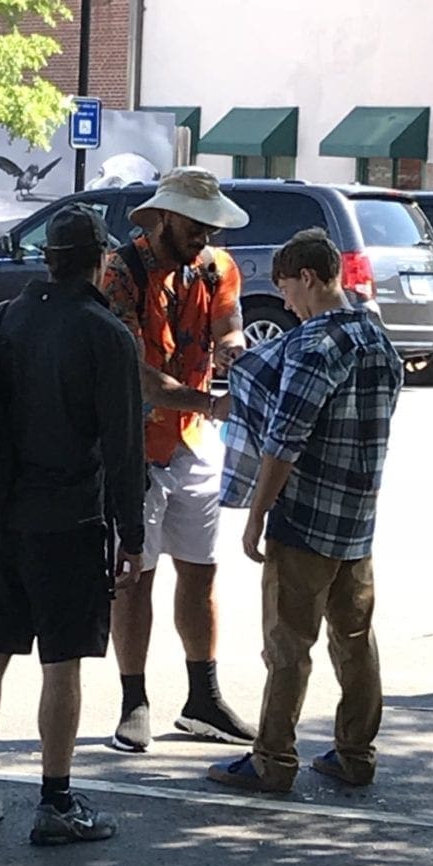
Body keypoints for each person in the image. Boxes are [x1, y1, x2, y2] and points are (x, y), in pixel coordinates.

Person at [0, 203, 145, 843]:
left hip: (0, 514)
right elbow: (122, 448)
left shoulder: (3, 320)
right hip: (68, 517)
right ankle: (56, 802)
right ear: (99, 260)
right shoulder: (106, 334)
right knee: (62, 659)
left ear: (48, 258)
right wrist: (132, 536)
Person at [208, 228, 403, 793]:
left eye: (288, 288)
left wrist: (255, 514)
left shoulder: (315, 347)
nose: (285, 301)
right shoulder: (376, 335)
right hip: (358, 517)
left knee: (288, 645)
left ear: (309, 278)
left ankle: (272, 759)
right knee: (355, 639)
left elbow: (283, 442)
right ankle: (356, 753)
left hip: (307, 518)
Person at [101, 166, 257, 752]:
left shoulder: (217, 267)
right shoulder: (122, 270)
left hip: (192, 439)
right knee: (134, 577)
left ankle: (202, 698)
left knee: (201, 569)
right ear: (166, 216)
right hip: (136, 444)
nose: (206, 235)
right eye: (197, 223)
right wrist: (207, 402)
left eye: (212, 225)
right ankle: (133, 699)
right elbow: (133, 375)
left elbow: (230, 332)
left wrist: (240, 360)